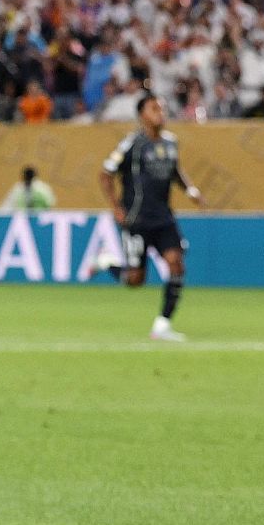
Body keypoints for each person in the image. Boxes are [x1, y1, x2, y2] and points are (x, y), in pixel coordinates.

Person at [96, 93, 207, 342]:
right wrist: (116, 207)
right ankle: (107, 262)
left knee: (176, 264)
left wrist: (191, 190)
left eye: (162, 108)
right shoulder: (131, 144)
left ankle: (162, 325)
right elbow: (105, 174)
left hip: (164, 219)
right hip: (137, 219)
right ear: (142, 115)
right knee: (135, 280)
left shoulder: (170, 143)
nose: (160, 112)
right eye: (154, 108)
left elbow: (175, 170)